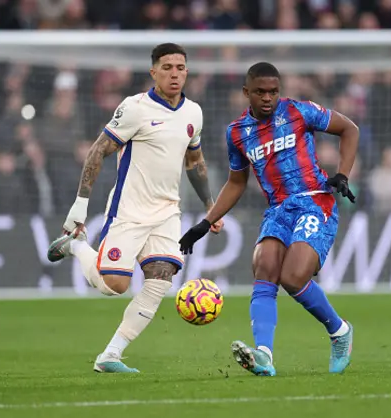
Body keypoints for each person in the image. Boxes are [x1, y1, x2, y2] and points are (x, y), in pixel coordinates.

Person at [46, 43, 223, 373]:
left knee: (160, 278)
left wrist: (211, 206)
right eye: (167, 67)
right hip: (129, 209)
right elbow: (98, 152)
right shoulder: (135, 108)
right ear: (153, 72)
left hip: (168, 211)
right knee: (115, 285)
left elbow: (194, 160)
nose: (174, 73)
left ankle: (111, 355)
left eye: (180, 67)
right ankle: (76, 246)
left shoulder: (193, 113)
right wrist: (80, 205)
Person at [179, 62, 359, 376]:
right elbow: (236, 182)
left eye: (273, 91)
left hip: (315, 201)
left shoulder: (298, 111)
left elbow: (349, 129)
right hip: (278, 209)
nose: (267, 98)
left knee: (292, 277)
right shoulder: (237, 133)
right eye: (260, 92)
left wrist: (342, 174)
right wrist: (206, 223)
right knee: (264, 268)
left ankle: (340, 331)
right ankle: (263, 355)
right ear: (246, 93)